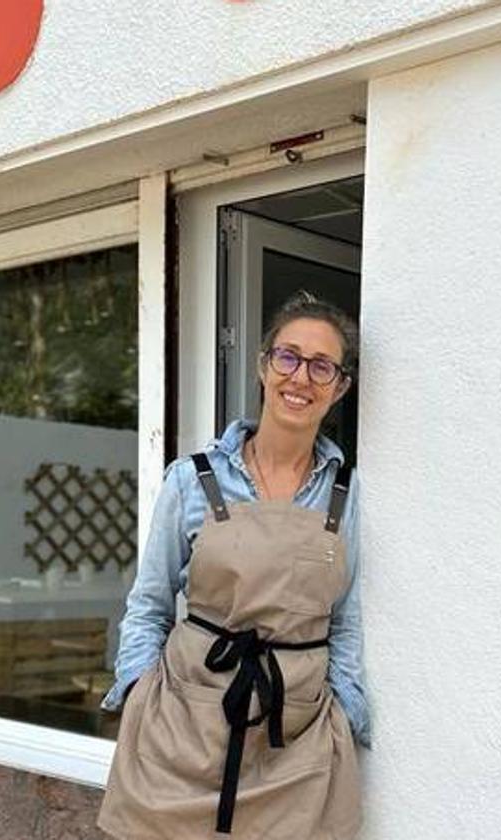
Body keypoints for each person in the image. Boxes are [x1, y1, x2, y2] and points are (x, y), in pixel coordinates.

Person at [98, 291, 369, 840]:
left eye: (322, 366)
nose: (301, 378)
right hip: (181, 730)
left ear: (340, 387)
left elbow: (345, 619)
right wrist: (137, 696)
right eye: (288, 357)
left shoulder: (346, 493)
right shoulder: (191, 479)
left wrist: (345, 715)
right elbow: (149, 605)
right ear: (264, 365)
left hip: (294, 741)